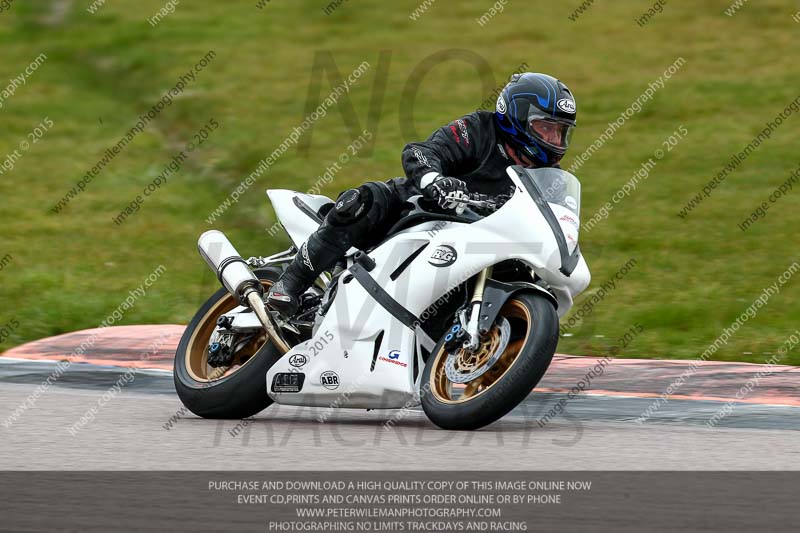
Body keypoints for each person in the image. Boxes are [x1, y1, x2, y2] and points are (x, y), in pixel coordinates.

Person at [266, 72, 577, 317]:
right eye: (545, 128)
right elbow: (423, 152)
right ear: (518, 117)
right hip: (420, 211)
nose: (553, 139)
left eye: (560, 132)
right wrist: (436, 181)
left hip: (477, 244)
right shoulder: (479, 129)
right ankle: (291, 282)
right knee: (365, 200)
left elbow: (554, 225)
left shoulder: (553, 182)